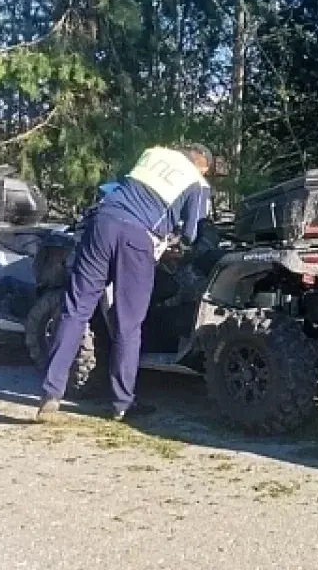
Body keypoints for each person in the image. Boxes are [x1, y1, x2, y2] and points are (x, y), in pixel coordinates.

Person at [36, 144, 213, 422]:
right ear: (203, 166)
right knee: (128, 323)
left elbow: (120, 187)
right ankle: (121, 403)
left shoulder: (153, 153)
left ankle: (51, 392)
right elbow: (193, 234)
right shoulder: (197, 182)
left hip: (101, 224)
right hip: (137, 237)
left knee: (76, 309)